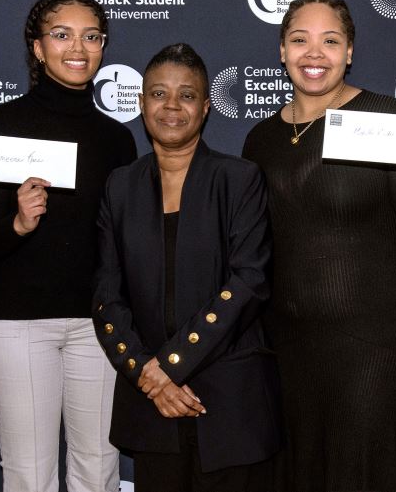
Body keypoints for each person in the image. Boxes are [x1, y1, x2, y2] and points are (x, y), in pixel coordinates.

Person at [240, 0, 396, 491]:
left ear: (350, 51)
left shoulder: (386, 119)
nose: (315, 54)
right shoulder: (260, 139)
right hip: (290, 347)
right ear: (282, 51)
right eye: (300, 40)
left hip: (375, 344)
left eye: (330, 41)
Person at [93, 44, 281, 491]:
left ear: (206, 106)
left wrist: (171, 366)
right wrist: (146, 374)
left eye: (187, 95)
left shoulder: (239, 179)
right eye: (158, 94)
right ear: (141, 103)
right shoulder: (121, 186)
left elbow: (249, 282)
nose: (172, 107)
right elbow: (106, 295)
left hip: (230, 402)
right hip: (151, 405)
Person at [0, 0, 136, 492]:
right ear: (38, 48)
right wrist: (19, 223)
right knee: (28, 474)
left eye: (91, 36)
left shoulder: (118, 139)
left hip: (98, 329)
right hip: (19, 327)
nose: (78, 47)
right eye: (62, 35)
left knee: (99, 469)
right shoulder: (0, 127)